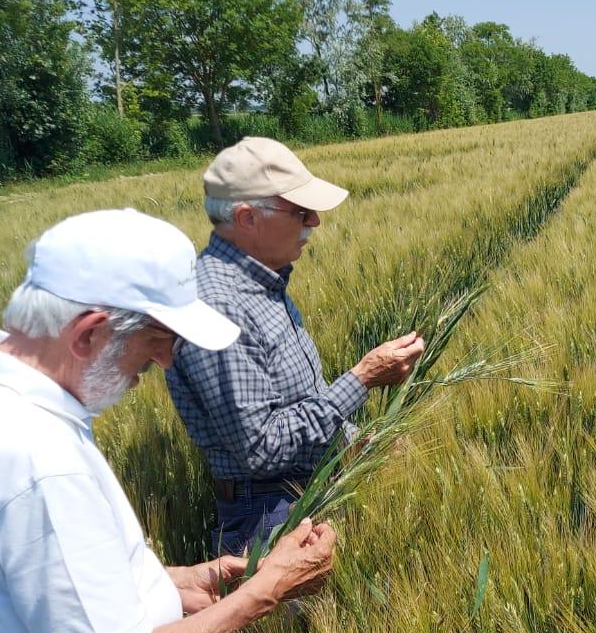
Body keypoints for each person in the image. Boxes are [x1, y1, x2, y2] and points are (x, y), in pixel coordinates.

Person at [0, 208, 338, 633]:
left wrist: (167, 583)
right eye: (157, 340)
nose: (165, 361)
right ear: (87, 335)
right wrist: (267, 588)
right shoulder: (42, 463)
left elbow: (21, 581)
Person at [167, 136, 425, 555]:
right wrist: (362, 380)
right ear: (248, 218)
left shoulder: (263, 283)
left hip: (306, 489)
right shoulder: (218, 307)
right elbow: (261, 449)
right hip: (269, 514)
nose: (315, 222)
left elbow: (299, 400)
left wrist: (356, 441)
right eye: (301, 212)